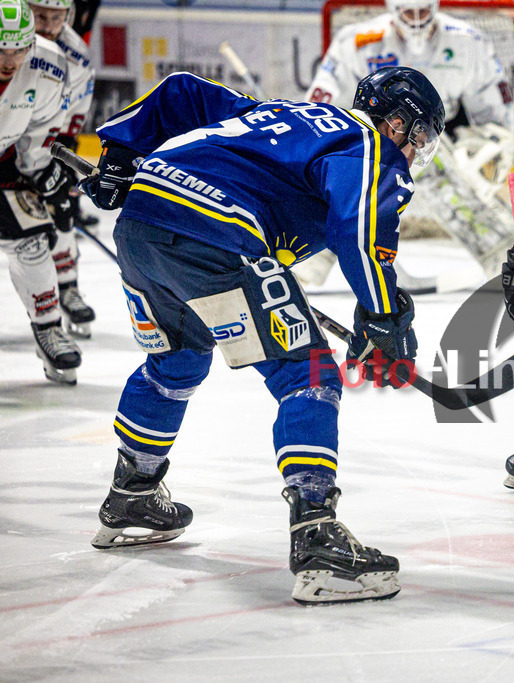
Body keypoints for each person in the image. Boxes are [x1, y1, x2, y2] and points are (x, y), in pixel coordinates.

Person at [81, 67, 445, 605]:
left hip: (142, 222)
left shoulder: (282, 111)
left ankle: (132, 493)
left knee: (177, 362)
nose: (413, 153)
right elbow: (360, 230)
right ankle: (316, 535)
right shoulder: (370, 144)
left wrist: (121, 155)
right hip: (218, 228)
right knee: (309, 374)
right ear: (397, 123)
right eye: (418, 140)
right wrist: (384, 315)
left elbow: (184, 91)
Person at [297, 0, 514, 285]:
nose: (415, 20)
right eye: (407, 12)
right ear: (392, 8)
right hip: (372, 135)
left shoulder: (467, 42)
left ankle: (498, 252)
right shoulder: (357, 41)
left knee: (439, 165)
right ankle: (310, 253)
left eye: (423, 11)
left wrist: (487, 151)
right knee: (346, 179)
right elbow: (321, 107)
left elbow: (498, 115)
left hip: (439, 139)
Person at [0, 0, 82, 384]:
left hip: (3, 163)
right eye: (2, 49)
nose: (10, 60)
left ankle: (48, 327)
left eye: (19, 48)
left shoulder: (48, 64)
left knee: (32, 239)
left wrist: (44, 172)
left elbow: (41, 129)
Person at [27, 0, 96, 337]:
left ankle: (67, 287)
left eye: (56, 18)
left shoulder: (77, 56)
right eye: (40, 16)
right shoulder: (8, 41)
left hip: (43, 145)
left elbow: (74, 115)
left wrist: (64, 160)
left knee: (63, 207)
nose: (48, 25)